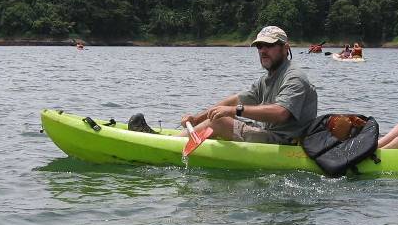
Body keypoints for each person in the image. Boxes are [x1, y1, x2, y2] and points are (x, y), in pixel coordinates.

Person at [128, 26, 318, 144]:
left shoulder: (295, 77)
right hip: (269, 133)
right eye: (260, 46)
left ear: (285, 49)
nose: (263, 51)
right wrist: (197, 118)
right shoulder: (269, 78)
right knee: (218, 116)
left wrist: (234, 111)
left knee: (220, 121)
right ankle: (173, 139)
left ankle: (165, 144)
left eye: (269, 45)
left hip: (284, 143)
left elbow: (281, 113)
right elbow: (236, 99)